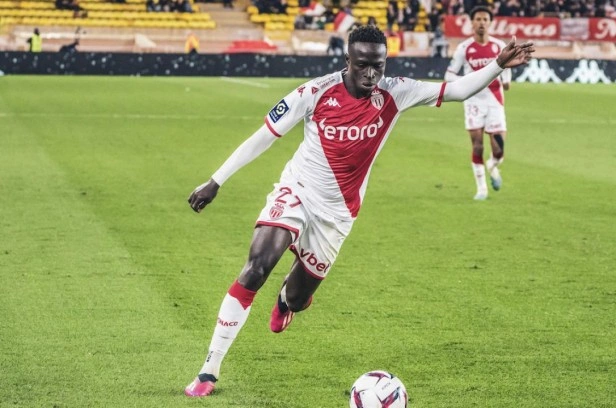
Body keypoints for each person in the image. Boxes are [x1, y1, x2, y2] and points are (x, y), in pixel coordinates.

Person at [184, 24, 533, 397]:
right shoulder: (315, 92)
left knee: (300, 298)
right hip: (298, 190)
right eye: (362, 65)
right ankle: (209, 369)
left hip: (338, 214)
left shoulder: (396, 92)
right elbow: (263, 136)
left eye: (378, 66)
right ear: (347, 59)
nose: (370, 74)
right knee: (257, 265)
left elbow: (458, 90)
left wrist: (498, 64)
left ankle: (287, 299)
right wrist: (216, 180)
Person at [444, 7, 511, 201]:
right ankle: (481, 189)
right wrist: (467, 83)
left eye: (485, 19)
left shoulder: (499, 46)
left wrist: (507, 79)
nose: (481, 23)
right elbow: (449, 75)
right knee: (478, 146)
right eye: (478, 19)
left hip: (495, 100)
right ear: (472, 23)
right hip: (473, 101)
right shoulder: (464, 48)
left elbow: (507, 65)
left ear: (490, 23)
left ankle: (492, 165)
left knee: (499, 150)